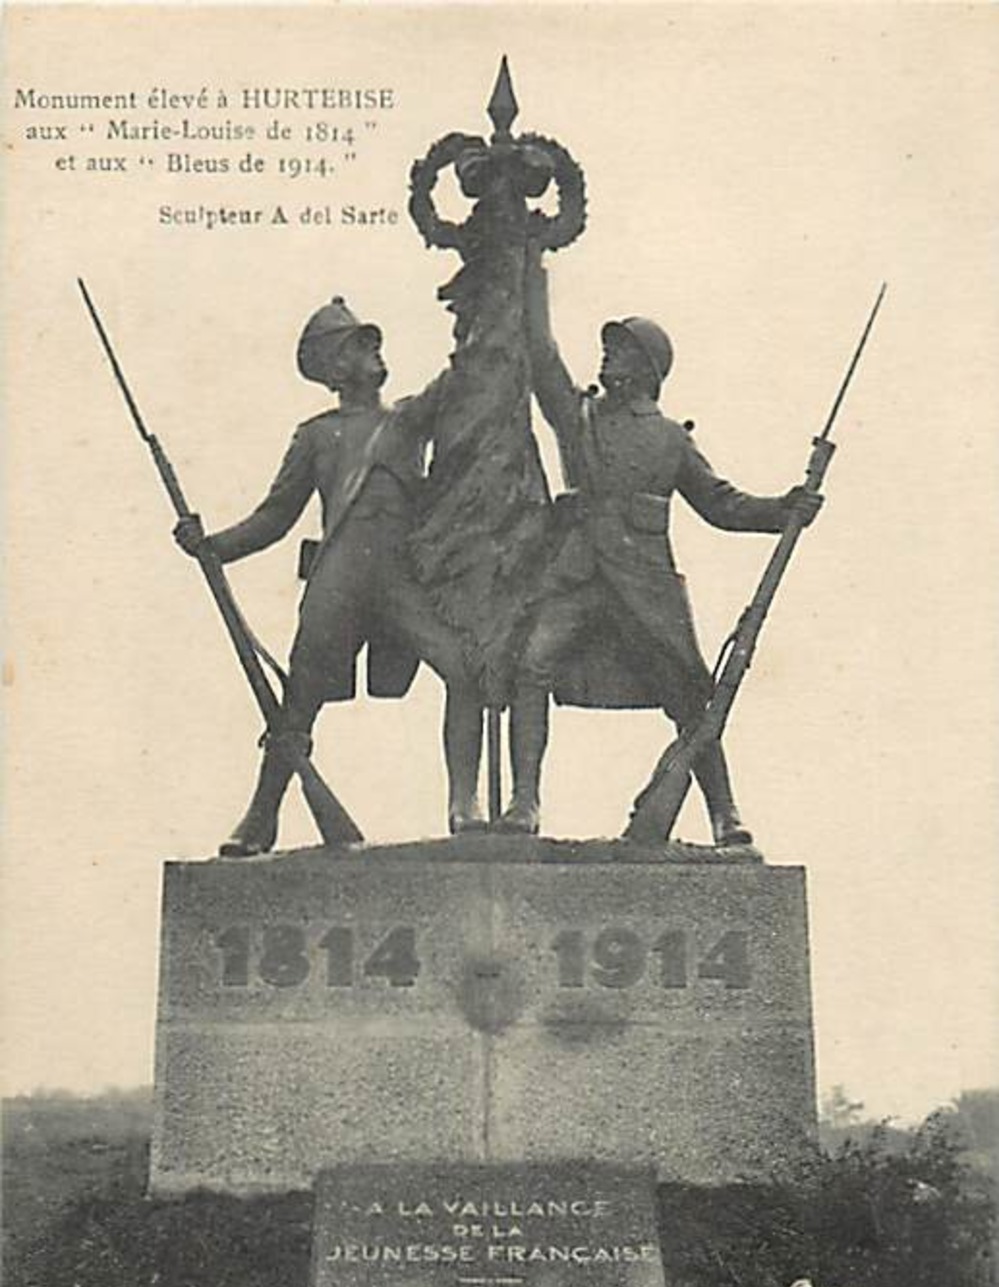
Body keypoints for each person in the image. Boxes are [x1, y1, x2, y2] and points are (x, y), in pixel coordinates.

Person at [500, 243, 823, 843]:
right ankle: (525, 802)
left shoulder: (671, 439)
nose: (606, 354)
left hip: (646, 584)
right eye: (606, 346)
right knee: (531, 665)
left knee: (691, 697)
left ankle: (725, 814)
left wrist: (785, 509)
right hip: (578, 575)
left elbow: (722, 503)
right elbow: (542, 358)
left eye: (618, 347)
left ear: (646, 366)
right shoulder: (581, 417)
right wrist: (530, 274)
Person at [174, 296, 485, 855]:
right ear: (336, 368)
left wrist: (481, 322)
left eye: (373, 343)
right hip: (337, 579)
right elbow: (275, 517)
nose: (374, 351)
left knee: (464, 670)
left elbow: (457, 381)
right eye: (360, 346)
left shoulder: (409, 419)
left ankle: (464, 804)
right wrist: (212, 546)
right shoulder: (315, 436)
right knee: (298, 702)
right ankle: (260, 818)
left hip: (400, 579)